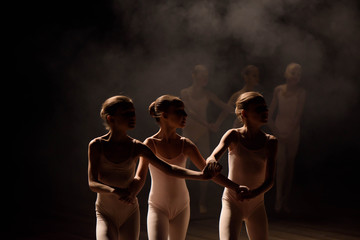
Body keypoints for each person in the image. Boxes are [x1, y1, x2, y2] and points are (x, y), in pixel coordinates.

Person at [88, 95, 220, 240]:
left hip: (131, 211)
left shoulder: (138, 146)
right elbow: (93, 182)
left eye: (133, 113)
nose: (132, 117)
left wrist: (202, 176)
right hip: (107, 211)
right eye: (126, 114)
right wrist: (116, 191)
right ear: (110, 119)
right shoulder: (97, 145)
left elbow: (169, 169)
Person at [132, 95, 244, 240]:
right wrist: (130, 192)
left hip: (181, 206)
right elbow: (140, 176)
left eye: (184, 111)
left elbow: (209, 173)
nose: (185, 115)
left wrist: (235, 187)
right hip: (157, 206)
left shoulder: (186, 144)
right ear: (164, 115)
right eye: (179, 112)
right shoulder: (150, 144)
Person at [207, 92, 278, 240]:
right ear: (244, 113)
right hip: (232, 202)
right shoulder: (233, 135)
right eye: (259, 109)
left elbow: (270, 180)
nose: (265, 112)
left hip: (256, 205)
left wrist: (253, 193)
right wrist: (213, 160)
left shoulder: (271, 142)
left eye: (265, 108)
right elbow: (211, 158)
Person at [180, 64, 233, 213]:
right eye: (201, 75)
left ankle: (202, 202)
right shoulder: (185, 92)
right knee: (184, 166)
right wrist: (209, 125)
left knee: (205, 166)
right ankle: (183, 201)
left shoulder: (208, 93)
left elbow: (226, 108)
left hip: (203, 134)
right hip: (189, 132)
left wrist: (216, 123)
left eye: (206, 76)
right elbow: (189, 112)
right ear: (194, 75)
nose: (204, 78)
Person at [268, 63, 306, 213]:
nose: (295, 75)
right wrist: (276, 131)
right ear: (286, 73)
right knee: (281, 164)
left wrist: (289, 133)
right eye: (293, 72)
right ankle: (278, 200)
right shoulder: (278, 90)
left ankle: (285, 200)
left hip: (293, 131)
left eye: (298, 73)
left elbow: (298, 116)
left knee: (290, 164)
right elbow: (270, 114)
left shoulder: (301, 92)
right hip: (279, 129)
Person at [214, 65, 260, 129]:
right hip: (240, 130)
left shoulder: (257, 96)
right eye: (254, 76)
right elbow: (226, 111)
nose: (257, 79)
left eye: (257, 76)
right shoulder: (238, 95)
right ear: (246, 77)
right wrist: (216, 124)